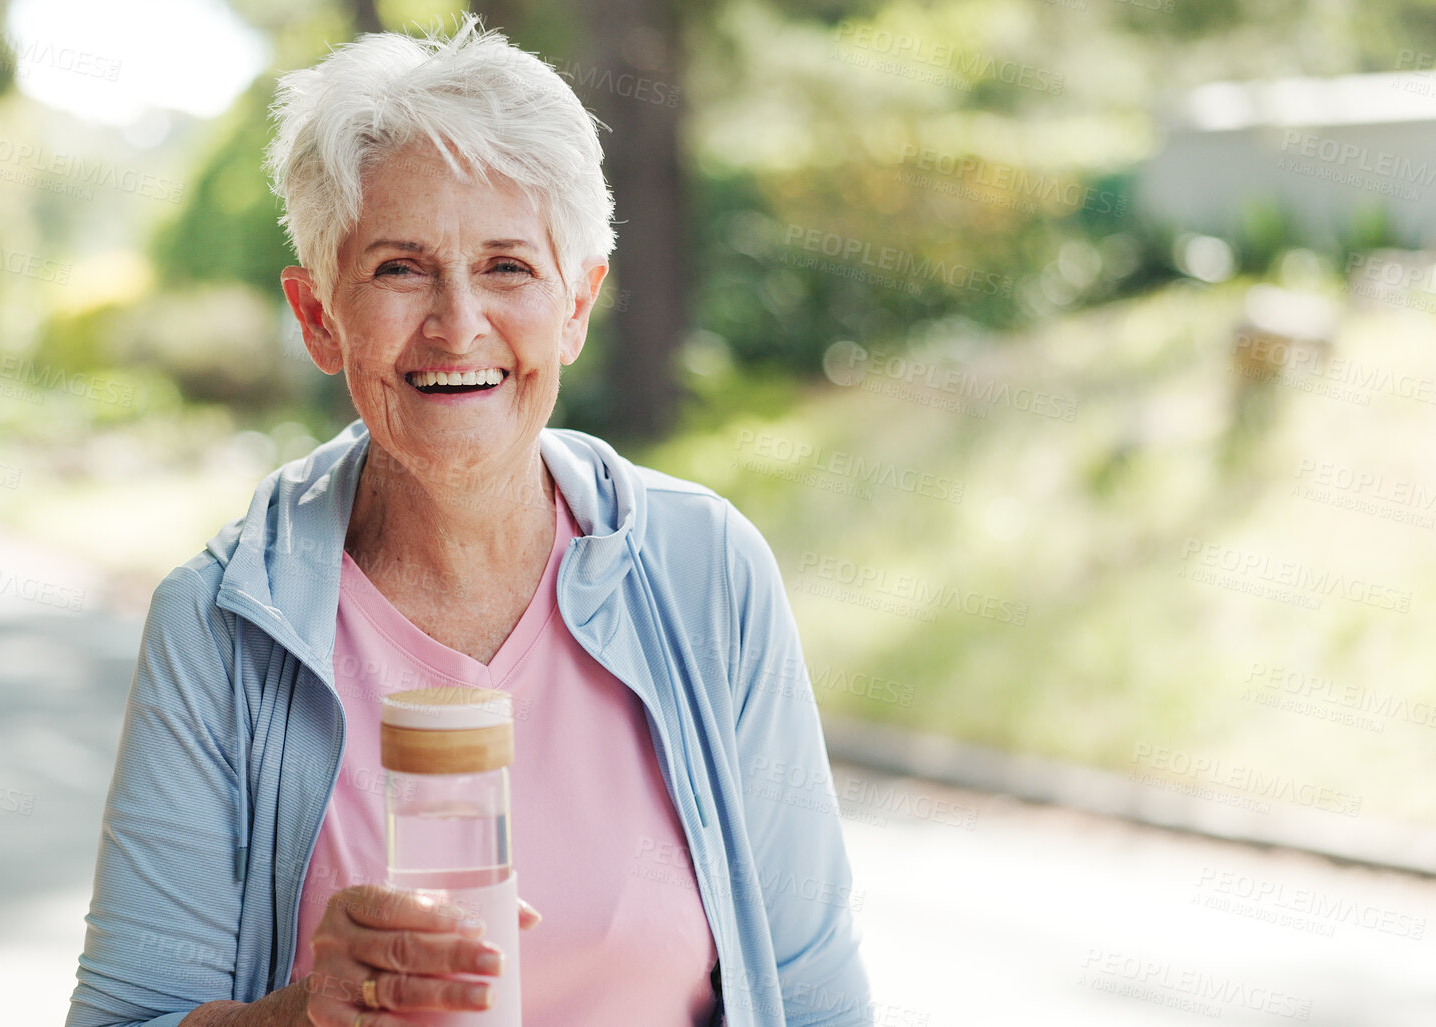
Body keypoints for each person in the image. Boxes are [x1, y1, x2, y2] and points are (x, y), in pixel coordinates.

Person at [66, 17, 871, 1027]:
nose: (457, 324)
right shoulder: (222, 625)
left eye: (507, 266)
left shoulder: (706, 572)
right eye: (401, 268)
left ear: (577, 303)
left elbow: (819, 999)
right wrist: (305, 1014)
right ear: (319, 314)